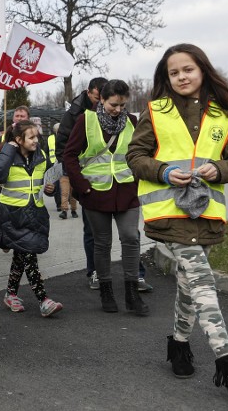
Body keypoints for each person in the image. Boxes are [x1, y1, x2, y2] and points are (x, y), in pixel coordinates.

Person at [126, 43, 228, 396]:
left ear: (202, 70)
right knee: (204, 283)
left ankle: (178, 345)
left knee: (190, 285)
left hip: (206, 215)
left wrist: (218, 168)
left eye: (187, 69)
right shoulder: (155, 111)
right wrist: (163, 171)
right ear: (166, 78)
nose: (181, 77)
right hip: (170, 215)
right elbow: (135, 155)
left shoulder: (223, 114)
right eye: (173, 72)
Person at [63, 79, 148, 316]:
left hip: (127, 191)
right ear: (101, 99)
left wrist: (139, 181)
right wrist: (83, 187)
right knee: (102, 243)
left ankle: (132, 293)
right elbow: (69, 156)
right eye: (113, 105)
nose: (118, 110)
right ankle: (106, 291)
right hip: (95, 193)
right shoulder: (86, 120)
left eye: (122, 105)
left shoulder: (132, 121)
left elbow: (141, 153)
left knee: (131, 238)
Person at [0, 121, 63, 318]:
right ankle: (43, 300)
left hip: (35, 215)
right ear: (18, 140)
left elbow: (51, 177)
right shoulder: (6, 156)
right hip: (13, 216)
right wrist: (8, 148)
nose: (36, 140)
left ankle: (11, 294)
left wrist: (51, 187)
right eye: (31, 137)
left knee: (21, 255)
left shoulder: (40, 156)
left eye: (37, 136)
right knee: (29, 255)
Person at [55, 77, 107, 289]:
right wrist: (73, 174)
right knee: (92, 230)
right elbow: (62, 146)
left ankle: (136, 274)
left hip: (115, 182)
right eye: (97, 97)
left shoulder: (115, 110)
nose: (100, 102)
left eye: (104, 98)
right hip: (86, 180)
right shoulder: (75, 113)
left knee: (129, 233)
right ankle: (94, 271)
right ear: (89, 92)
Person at [48, 122, 62, 213]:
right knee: (56, 185)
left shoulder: (66, 137)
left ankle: (68, 203)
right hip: (54, 165)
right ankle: (59, 205)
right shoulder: (50, 138)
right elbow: (46, 151)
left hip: (63, 164)